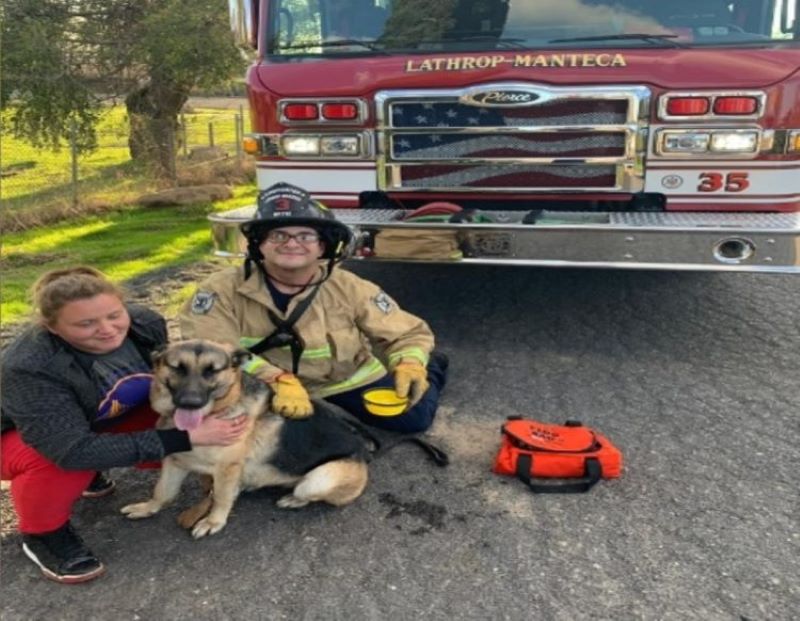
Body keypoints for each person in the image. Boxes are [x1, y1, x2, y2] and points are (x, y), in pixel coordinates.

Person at [0, 267, 248, 584]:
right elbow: (69, 449)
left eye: (114, 315)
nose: (106, 329)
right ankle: (43, 534)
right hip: (22, 436)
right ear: (53, 327)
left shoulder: (144, 324)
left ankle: (95, 470)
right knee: (57, 460)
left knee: (199, 422)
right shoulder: (29, 366)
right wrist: (179, 437)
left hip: (93, 418)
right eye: (85, 324)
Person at [180, 182, 448, 434]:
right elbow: (211, 352)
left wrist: (410, 363)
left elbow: (408, 333)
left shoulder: (348, 286)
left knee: (414, 419)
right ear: (259, 244)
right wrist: (277, 379)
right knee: (263, 444)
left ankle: (433, 366)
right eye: (278, 234)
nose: (292, 243)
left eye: (306, 235)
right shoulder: (220, 290)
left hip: (342, 380)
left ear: (323, 246)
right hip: (264, 386)